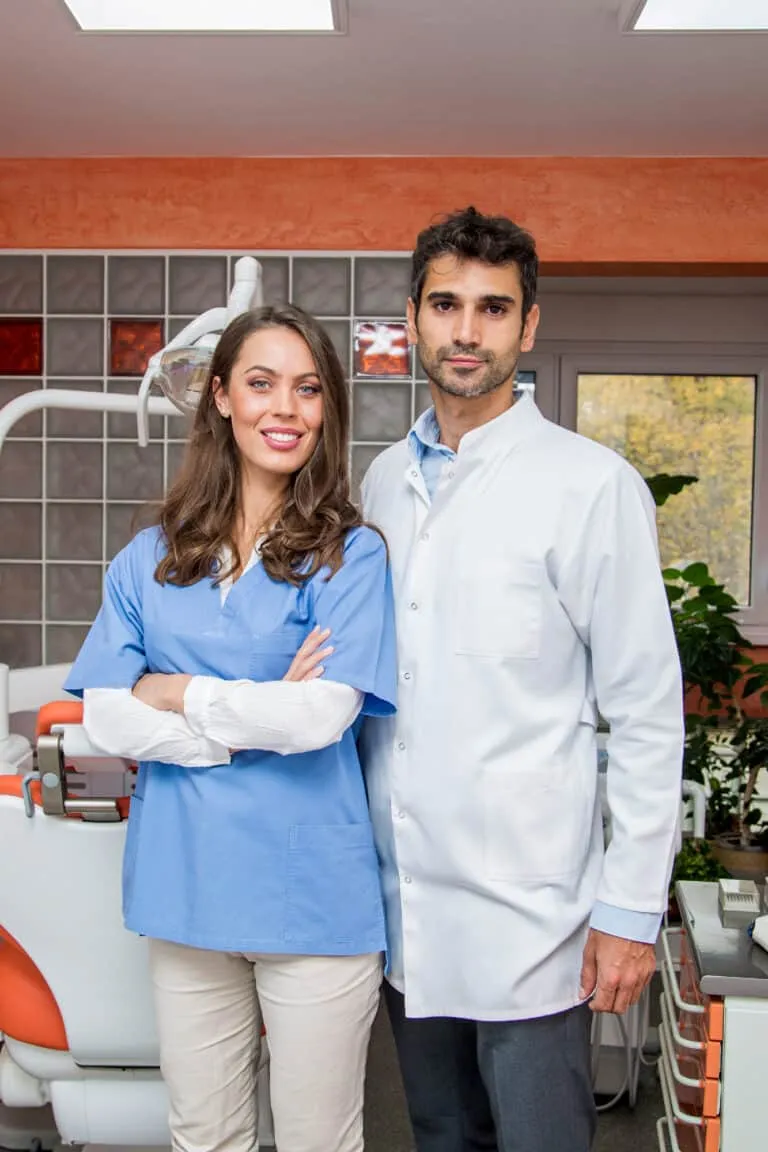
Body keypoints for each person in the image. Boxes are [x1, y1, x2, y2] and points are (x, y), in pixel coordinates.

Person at [359, 207, 684, 1152]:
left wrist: (627, 913)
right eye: (447, 304)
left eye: (494, 309)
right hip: (408, 906)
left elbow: (648, 714)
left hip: (534, 917)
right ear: (412, 317)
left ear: (528, 327)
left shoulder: (589, 487)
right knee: (437, 1133)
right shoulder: (382, 482)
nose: (468, 331)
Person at [64, 304, 398, 1152]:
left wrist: (174, 691)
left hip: (313, 902)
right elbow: (105, 714)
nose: (285, 409)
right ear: (219, 397)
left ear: (327, 411)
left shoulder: (349, 555)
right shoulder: (149, 556)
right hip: (188, 892)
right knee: (203, 1136)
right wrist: (242, 721)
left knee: (318, 1140)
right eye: (261, 384)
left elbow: (322, 713)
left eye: (308, 389)